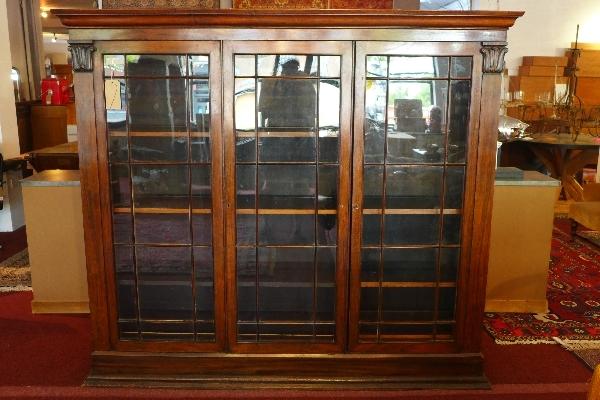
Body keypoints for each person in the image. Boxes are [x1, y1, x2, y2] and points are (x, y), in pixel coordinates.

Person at [260, 59, 317, 129]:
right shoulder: (305, 82)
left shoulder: (303, 82)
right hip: (293, 126)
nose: (283, 73)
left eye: (284, 71)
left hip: (295, 126)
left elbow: (311, 105)